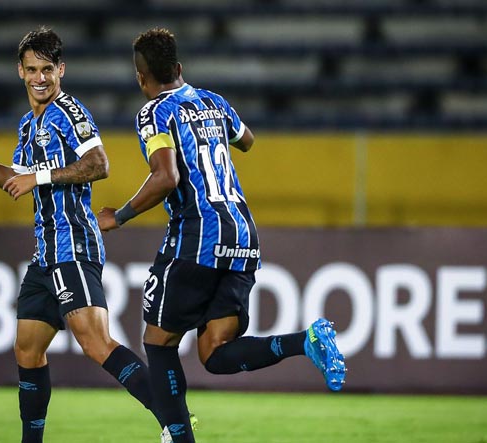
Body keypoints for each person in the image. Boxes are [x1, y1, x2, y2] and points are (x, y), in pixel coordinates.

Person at [98, 28, 347, 443]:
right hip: (242, 236)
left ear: (141, 79)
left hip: (197, 237)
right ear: (179, 68)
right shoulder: (214, 101)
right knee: (214, 353)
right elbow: (246, 140)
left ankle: (178, 437)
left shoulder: (153, 113)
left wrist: (119, 216)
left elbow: (166, 177)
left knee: (158, 343)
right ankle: (306, 341)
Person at [0, 27, 165, 443]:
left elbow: (99, 164)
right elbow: (17, 181)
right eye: (32, 69)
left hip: (73, 244)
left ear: (60, 70)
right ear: (20, 71)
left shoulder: (69, 111)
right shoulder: (29, 126)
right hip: (44, 254)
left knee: (97, 343)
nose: (40, 78)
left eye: (48, 69)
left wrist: (40, 177)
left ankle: (174, 420)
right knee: (27, 350)